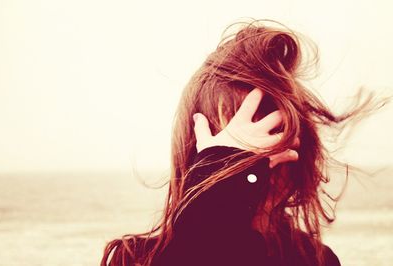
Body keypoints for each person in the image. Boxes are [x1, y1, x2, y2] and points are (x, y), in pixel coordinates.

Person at [101, 19, 386, 266]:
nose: (255, 160)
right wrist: (218, 190)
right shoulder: (137, 259)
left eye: (273, 132)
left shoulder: (316, 260)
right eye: (229, 150)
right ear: (197, 158)